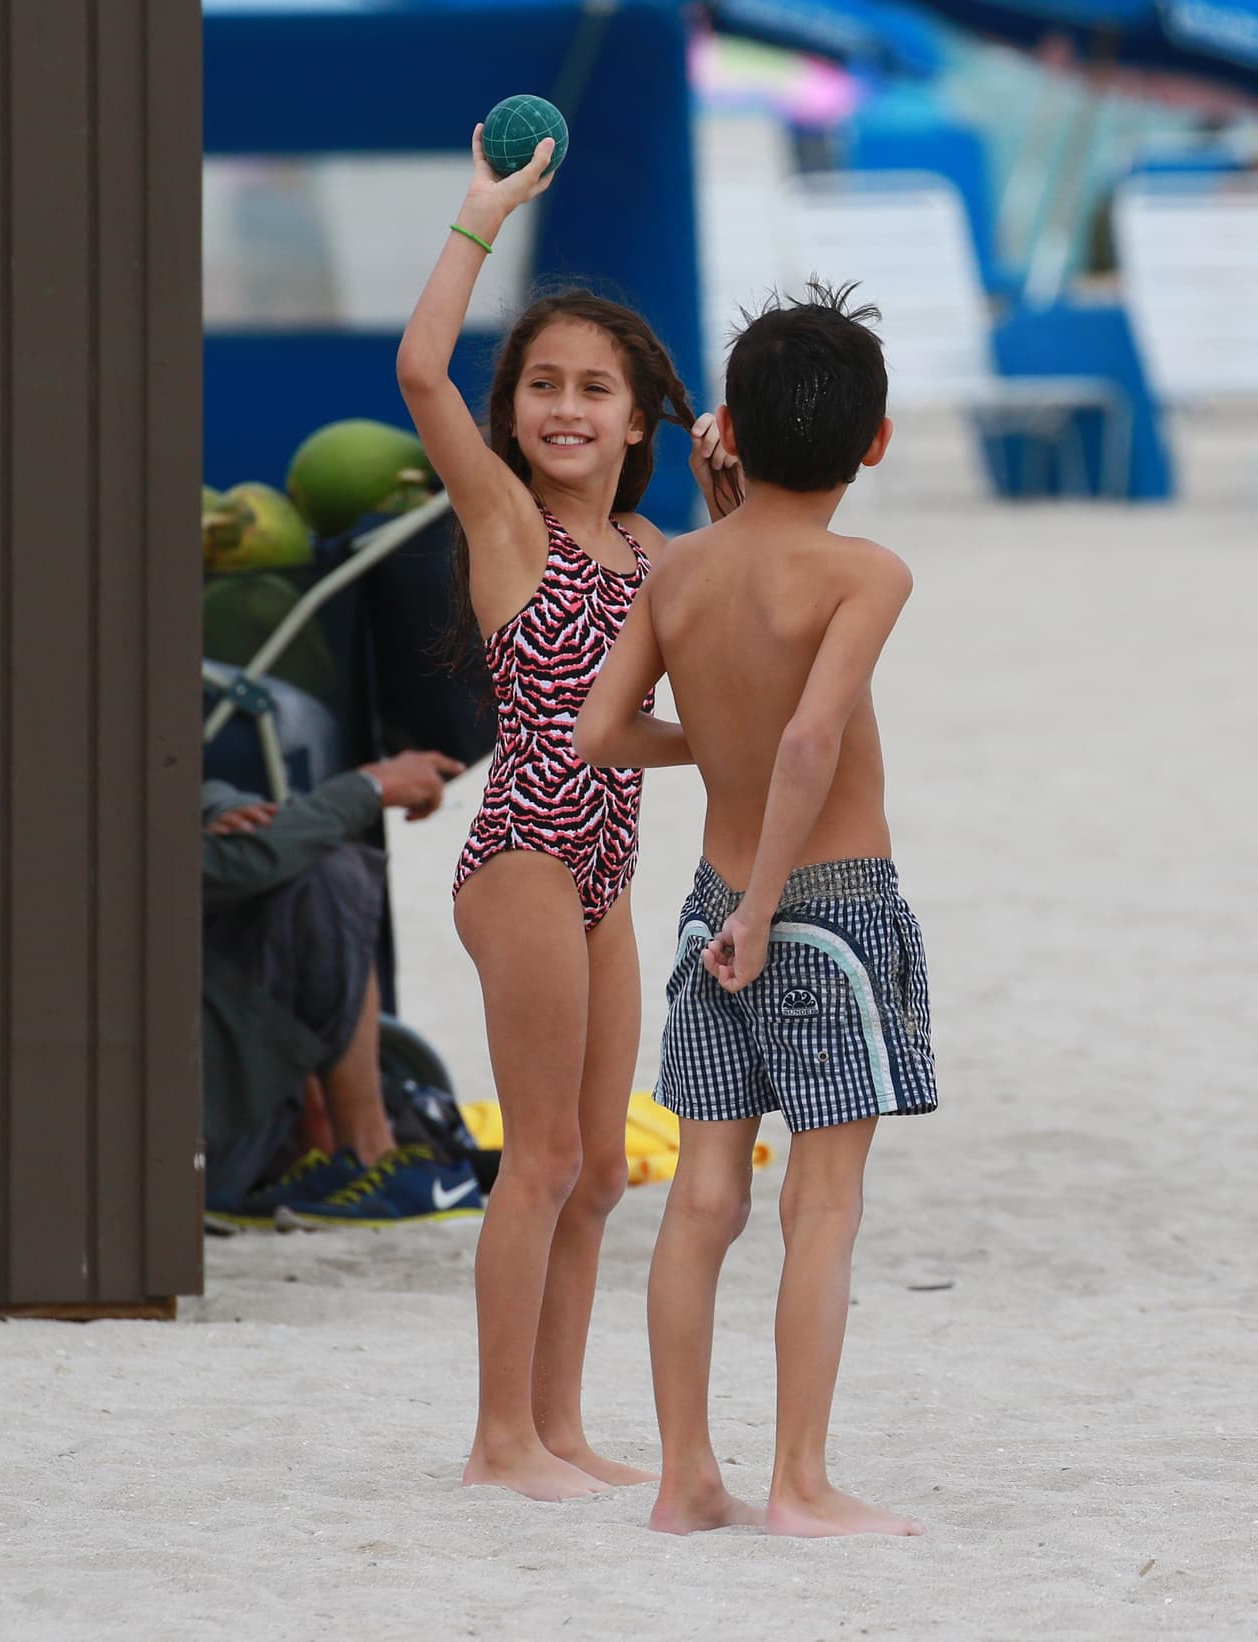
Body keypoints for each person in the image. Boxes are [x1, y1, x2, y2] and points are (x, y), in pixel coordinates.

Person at [395, 125, 740, 1502]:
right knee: (536, 1155)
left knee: (600, 1165)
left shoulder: (660, 554)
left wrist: (727, 510)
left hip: (608, 864)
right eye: (542, 384)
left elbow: (667, 723)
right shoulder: (508, 523)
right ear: (516, 412)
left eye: (595, 387)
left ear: (639, 415)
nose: (565, 406)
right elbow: (422, 371)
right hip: (524, 852)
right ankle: (496, 1439)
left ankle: (558, 1423)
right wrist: (481, 213)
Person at [575, 282, 938, 1537]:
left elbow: (599, 732)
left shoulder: (678, 569)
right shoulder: (864, 571)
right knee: (819, 1205)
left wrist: (713, 751)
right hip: (821, 909)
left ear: (723, 424)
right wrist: (773, 897)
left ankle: (684, 1479)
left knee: (703, 1199)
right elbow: (809, 739)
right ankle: (798, 1482)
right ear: (874, 440)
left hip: (704, 906)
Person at [202, 746, 476, 1223]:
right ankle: (366, 1152)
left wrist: (221, 811)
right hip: (183, 1149)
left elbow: (179, 800)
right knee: (329, 877)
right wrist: (368, 787)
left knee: (299, 860)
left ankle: (332, 1150)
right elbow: (216, 864)